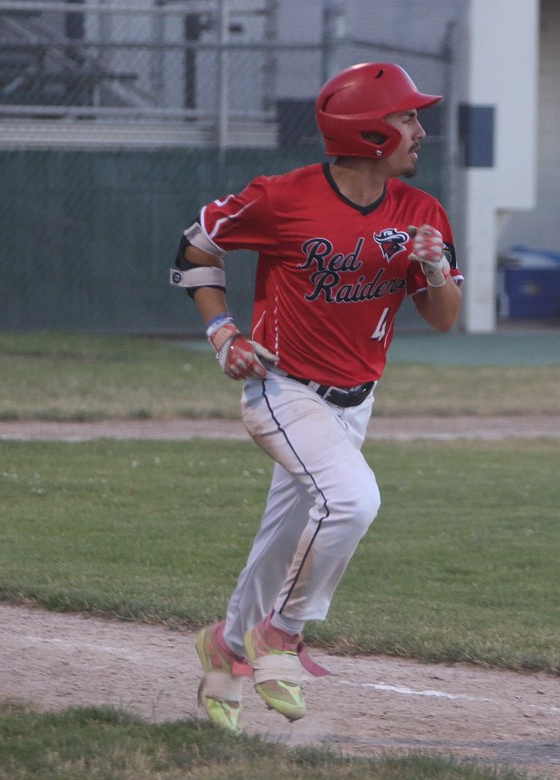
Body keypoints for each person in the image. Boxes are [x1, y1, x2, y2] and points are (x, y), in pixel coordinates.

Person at [170, 62, 463, 733]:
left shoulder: (422, 213)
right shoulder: (283, 197)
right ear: (367, 132)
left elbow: (444, 316)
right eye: (406, 117)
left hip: (355, 403)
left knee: (280, 547)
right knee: (353, 500)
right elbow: (197, 245)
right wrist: (222, 333)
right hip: (282, 386)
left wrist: (434, 269)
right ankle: (282, 634)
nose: (420, 129)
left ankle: (225, 646)